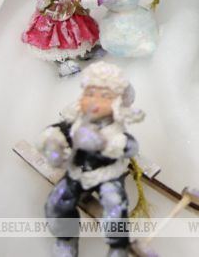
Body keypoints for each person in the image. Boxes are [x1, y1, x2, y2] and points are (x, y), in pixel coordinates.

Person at [40, 62, 143, 257]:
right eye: (90, 94)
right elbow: (60, 132)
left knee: (114, 204)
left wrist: (109, 145)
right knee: (58, 201)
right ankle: (66, 239)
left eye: (104, 96)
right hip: (77, 172)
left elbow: (130, 146)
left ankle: (117, 246)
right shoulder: (77, 122)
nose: (95, 101)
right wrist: (53, 142)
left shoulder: (115, 130)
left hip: (107, 175)